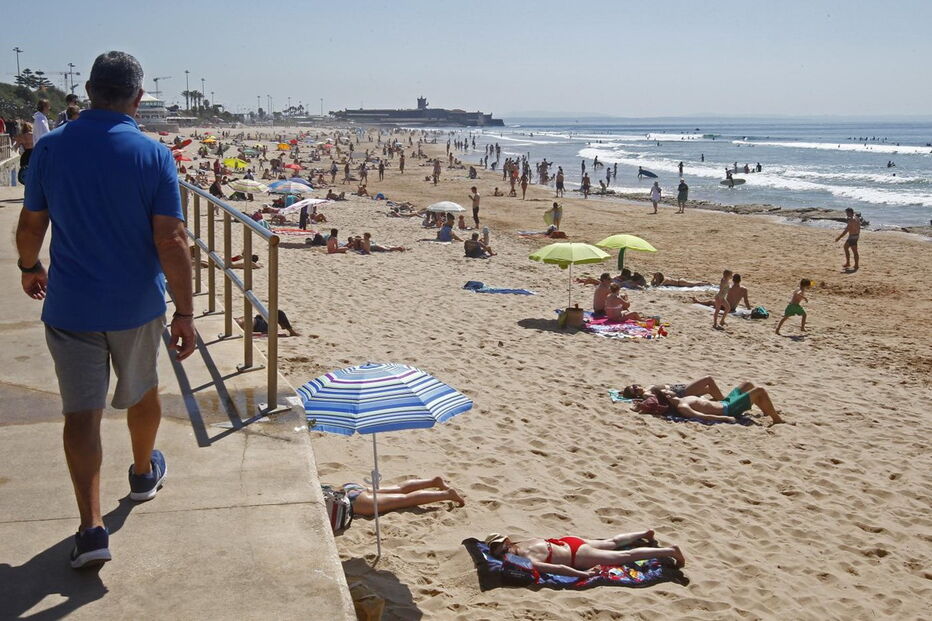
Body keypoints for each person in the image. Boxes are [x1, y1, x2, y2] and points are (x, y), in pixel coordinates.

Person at [16, 51, 195, 569]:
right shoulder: (153, 154)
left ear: (90, 89)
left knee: (81, 414)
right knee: (142, 391)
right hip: (136, 305)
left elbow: (32, 226)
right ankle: (142, 474)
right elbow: (172, 238)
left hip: (71, 307)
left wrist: (30, 266)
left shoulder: (50, 149)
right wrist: (184, 312)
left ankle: (91, 529)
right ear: (138, 98)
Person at [485, 530, 685, 578]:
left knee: (624, 557)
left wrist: (583, 574)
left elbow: (558, 568)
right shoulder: (521, 541)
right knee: (612, 542)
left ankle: (669, 551)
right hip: (568, 541)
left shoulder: (521, 559)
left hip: (576, 555)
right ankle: (645, 533)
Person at [646, 383, 784, 424]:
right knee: (759, 390)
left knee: (747, 384)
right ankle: (777, 419)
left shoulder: (683, 399)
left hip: (724, 402)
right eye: (668, 391)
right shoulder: (682, 406)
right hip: (728, 409)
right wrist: (724, 418)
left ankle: (767, 411)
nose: (670, 389)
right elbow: (701, 416)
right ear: (667, 397)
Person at [340, 476, 464, 517]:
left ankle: (446, 494)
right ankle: (433, 482)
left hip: (354, 502)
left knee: (404, 500)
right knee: (399, 489)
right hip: (347, 488)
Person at [622, 376, 726, 401]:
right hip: (681, 392)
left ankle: (720, 400)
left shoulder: (646, 389)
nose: (637, 387)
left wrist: (622, 392)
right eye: (635, 390)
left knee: (709, 389)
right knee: (708, 379)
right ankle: (724, 401)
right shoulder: (645, 394)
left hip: (680, 387)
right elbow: (660, 397)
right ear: (636, 395)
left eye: (634, 386)